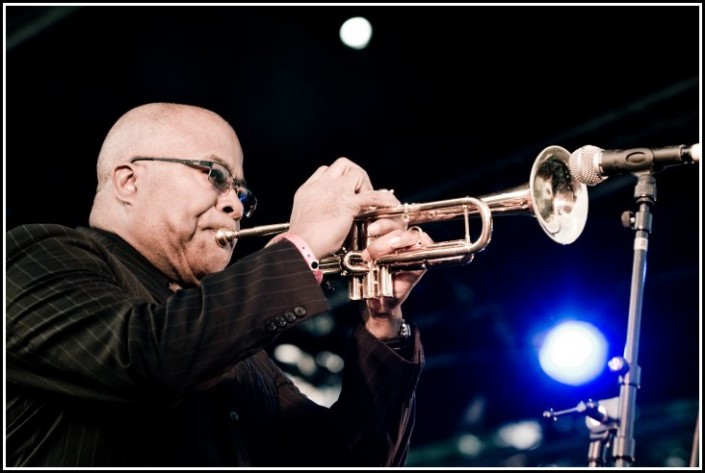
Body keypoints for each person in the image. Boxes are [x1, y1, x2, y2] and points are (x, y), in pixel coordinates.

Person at [6, 102, 433, 467]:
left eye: (242, 194)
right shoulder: (37, 252)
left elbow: (346, 461)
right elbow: (143, 357)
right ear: (128, 181)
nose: (235, 204)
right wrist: (302, 245)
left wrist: (383, 321)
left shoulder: (239, 354)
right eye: (214, 175)